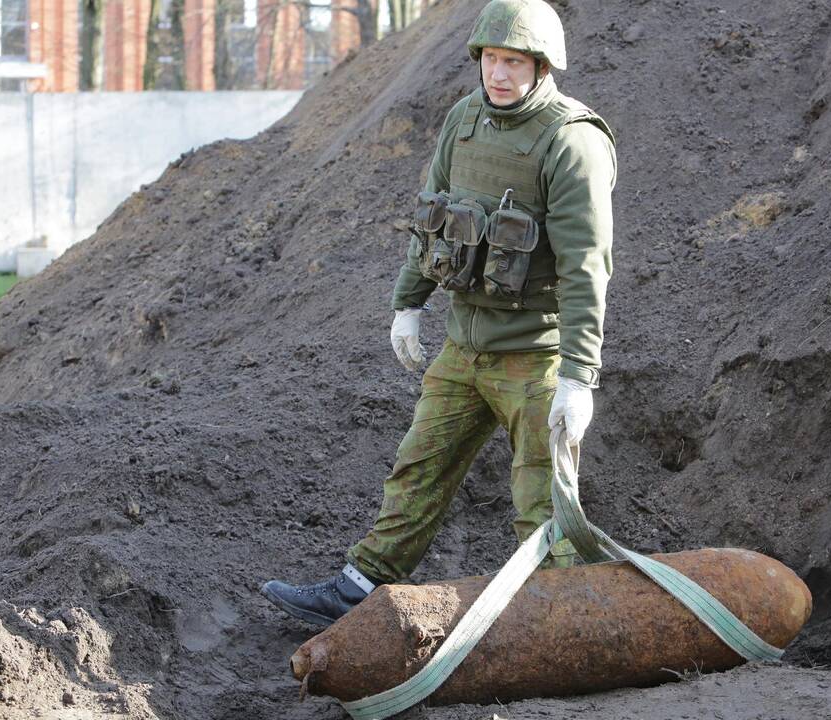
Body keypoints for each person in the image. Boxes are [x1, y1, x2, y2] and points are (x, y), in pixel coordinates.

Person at [261, 0, 616, 627]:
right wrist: (407, 302)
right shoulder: (465, 119)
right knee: (417, 468)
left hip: (534, 354)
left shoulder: (572, 142)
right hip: (463, 347)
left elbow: (586, 267)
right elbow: (433, 219)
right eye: (490, 59)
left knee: (542, 501)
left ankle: (560, 627)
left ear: (541, 65)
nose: (499, 74)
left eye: (514, 62)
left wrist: (578, 376)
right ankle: (358, 589)